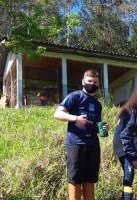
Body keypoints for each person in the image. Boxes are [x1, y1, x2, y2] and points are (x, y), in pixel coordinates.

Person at [54, 69, 109, 200]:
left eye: (95, 82)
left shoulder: (97, 104)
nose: (92, 84)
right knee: (75, 179)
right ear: (83, 81)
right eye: (89, 81)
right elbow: (57, 114)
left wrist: (103, 127)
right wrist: (76, 118)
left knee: (90, 179)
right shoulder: (75, 96)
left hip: (93, 145)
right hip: (76, 144)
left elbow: (96, 125)